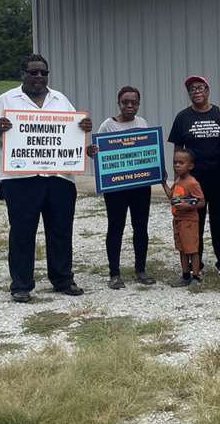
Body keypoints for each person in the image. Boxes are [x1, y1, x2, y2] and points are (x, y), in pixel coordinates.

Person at [0, 54, 93, 303]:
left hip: (59, 177)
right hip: (20, 179)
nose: (39, 77)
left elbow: (72, 134)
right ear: (23, 74)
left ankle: (62, 279)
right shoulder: (6, 100)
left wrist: (83, 128)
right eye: (33, 72)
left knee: (61, 231)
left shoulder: (60, 100)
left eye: (43, 73)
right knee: (22, 232)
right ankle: (21, 284)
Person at [87, 86, 155, 289]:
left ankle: (140, 270)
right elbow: (97, 152)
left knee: (141, 227)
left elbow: (147, 151)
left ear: (139, 104)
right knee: (116, 227)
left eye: (134, 102)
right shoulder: (108, 125)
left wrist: (156, 169)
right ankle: (114, 273)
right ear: (119, 103)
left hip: (140, 185)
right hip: (116, 187)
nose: (130, 106)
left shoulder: (142, 123)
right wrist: (91, 151)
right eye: (125, 102)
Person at [168, 76, 220, 276]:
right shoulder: (182, 117)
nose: (197, 91)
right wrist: (178, 178)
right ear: (189, 94)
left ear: (208, 90)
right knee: (194, 219)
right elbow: (178, 149)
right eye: (192, 89)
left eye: (200, 87)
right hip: (193, 180)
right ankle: (197, 260)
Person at [162, 149, 206, 288]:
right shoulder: (178, 180)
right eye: (175, 162)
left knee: (192, 249)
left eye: (181, 163)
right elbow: (171, 196)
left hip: (189, 221)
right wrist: (164, 183)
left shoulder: (192, 183)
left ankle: (196, 275)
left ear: (190, 166)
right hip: (177, 220)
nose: (177, 166)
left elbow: (201, 202)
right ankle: (185, 274)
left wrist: (186, 206)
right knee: (181, 249)